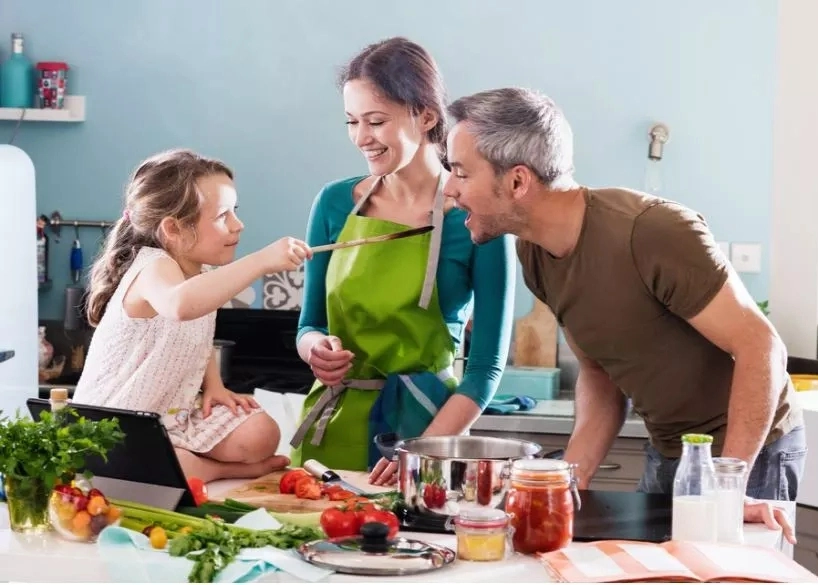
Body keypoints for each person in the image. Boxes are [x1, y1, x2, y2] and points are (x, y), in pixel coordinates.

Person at [441, 87, 805, 543]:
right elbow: (599, 372)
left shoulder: (651, 231)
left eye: (459, 172)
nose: (449, 188)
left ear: (517, 181)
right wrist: (570, 480)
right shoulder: (533, 252)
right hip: (670, 449)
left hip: (749, 454)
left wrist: (728, 490)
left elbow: (761, 346)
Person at [290, 37, 515, 484]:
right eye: (352, 122)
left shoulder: (476, 214)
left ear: (427, 116)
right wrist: (315, 350)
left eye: (376, 121)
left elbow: (486, 367)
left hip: (428, 436)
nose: (361, 138)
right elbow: (308, 323)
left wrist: (422, 453)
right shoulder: (334, 203)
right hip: (331, 434)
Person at [74, 148, 312, 483]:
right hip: (116, 425)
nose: (238, 225)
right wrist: (260, 261)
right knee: (158, 465)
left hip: (172, 416)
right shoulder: (152, 267)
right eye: (222, 216)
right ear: (173, 229)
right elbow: (180, 306)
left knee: (261, 431)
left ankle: (189, 460)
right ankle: (213, 469)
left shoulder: (201, 275)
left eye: (235, 212)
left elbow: (194, 334)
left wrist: (213, 385)